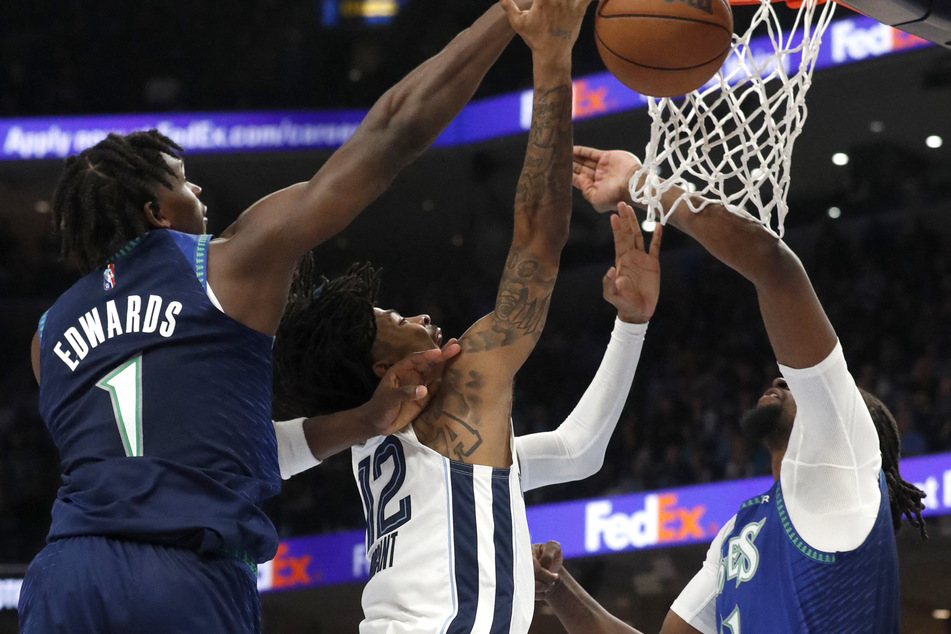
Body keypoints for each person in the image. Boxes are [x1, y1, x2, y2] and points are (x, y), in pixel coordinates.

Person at [17, 5, 533, 632]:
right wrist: (504, 17)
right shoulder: (230, 265)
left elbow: (204, 445)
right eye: (184, 181)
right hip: (183, 578)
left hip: (63, 577)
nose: (200, 193)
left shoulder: (46, 339)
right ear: (156, 212)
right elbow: (392, 130)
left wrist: (364, 420)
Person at [270, 1, 645, 630]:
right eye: (393, 317)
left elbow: (577, 453)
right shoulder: (453, 398)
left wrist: (631, 324)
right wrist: (553, 56)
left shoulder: (378, 437)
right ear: (384, 364)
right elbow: (538, 240)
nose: (419, 315)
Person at [526, 146, 928, 633]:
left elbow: (773, 267)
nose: (782, 378)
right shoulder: (742, 531)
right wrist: (556, 585)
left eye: (809, 390)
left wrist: (644, 186)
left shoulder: (842, 451)